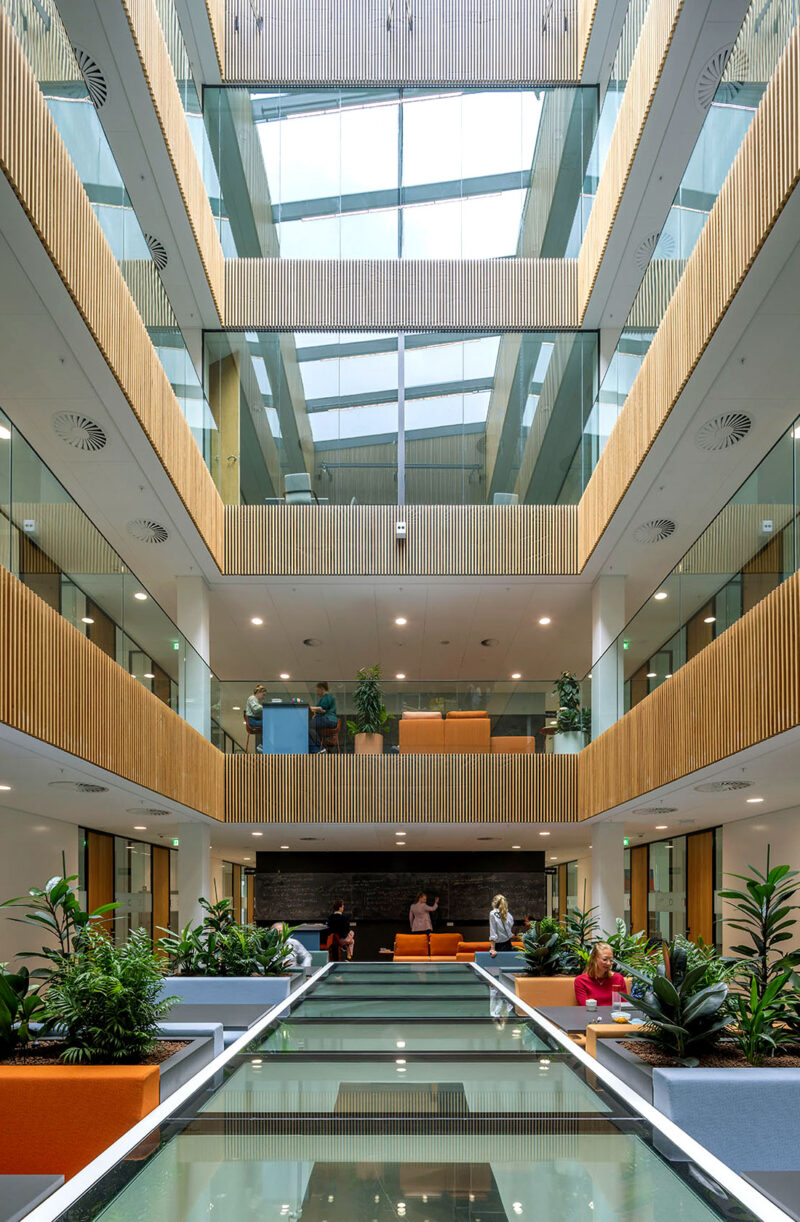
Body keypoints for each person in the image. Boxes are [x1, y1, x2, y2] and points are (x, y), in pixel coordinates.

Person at [574, 942, 626, 1006]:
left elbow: (624, 1005)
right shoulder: (581, 981)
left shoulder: (618, 979)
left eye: (611, 960)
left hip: (615, 1015)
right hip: (592, 1015)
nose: (609, 963)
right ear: (594, 958)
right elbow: (585, 1007)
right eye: (605, 959)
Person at [309, 681, 338, 753]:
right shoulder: (326, 697)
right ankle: (316, 750)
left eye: (317, 690)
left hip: (328, 719)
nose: (317, 692)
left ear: (322, 689)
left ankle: (320, 748)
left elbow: (322, 709)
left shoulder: (327, 696)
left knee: (307, 726)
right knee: (309, 729)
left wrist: (310, 708)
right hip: (326, 719)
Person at [245, 684, 268, 751]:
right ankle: (262, 745)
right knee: (267, 724)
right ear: (258, 692)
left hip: (253, 720)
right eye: (263, 695)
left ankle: (263, 745)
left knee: (267, 724)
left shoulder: (256, 700)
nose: (264, 697)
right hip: (252, 721)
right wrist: (264, 707)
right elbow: (255, 709)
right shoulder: (252, 698)